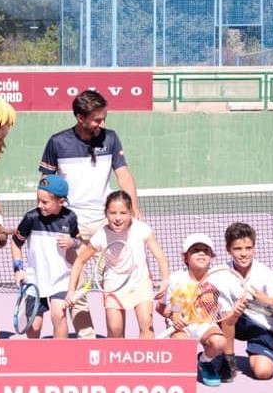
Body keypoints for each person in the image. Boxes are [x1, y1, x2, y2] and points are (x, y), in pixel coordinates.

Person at [40, 89, 143, 339]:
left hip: (105, 222)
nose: (102, 123)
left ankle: (115, 344)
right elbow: (46, 182)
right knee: (74, 285)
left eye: (104, 118)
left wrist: (134, 211)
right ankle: (87, 339)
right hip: (70, 224)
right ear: (80, 117)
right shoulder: (57, 142)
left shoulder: (111, 138)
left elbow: (124, 176)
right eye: (97, 119)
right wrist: (46, 218)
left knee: (116, 280)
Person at [67, 191, 168, 339]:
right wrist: (71, 291)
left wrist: (165, 280)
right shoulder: (100, 236)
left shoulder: (142, 229)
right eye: (113, 213)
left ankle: (146, 361)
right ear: (106, 213)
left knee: (146, 324)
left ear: (131, 213)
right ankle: (117, 362)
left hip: (140, 281)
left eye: (123, 213)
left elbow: (161, 258)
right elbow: (79, 261)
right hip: (113, 283)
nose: (118, 218)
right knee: (115, 330)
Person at [10, 175, 80, 338]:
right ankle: (35, 360)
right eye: (38, 200)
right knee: (34, 326)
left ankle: (61, 358)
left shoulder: (70, 218)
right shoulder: (31, 218)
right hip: (35, 279)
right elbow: (15, 243)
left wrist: (72, 242)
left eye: (45, 202)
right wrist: (18, 270)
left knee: (59, 315)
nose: (40, 205)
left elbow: (79, 240)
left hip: (60, 279)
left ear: (61, 201)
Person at [216, 222, 273, 382]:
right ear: (228, 250)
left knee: (263, 372)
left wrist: (265, 300)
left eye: (248, 248)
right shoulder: (220, 272)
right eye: (237, 248)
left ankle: (258, 352)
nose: (244, 254)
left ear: (254, 248)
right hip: (230, 322)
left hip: (259, 326)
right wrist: (231, 311)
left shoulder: (264, 272)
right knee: (226, 313)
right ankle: (228, 359)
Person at [157, 233, 227, 387]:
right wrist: (173, 316)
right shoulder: (176, 278)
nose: (201, 253)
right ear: (185, 257)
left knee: (220, 342)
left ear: (211, 257)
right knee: (182, 358)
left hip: (205, 324)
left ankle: (205, 361)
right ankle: (181, 357)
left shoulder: (218, 279)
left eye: (206, 250)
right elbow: (161, 307)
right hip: (181, 327)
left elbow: (223, 309)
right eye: (195, 250)